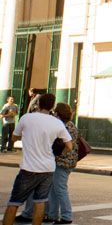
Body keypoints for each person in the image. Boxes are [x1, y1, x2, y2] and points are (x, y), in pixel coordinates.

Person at [2, 94, 71, 225]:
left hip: (29, 167)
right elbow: (69, 145)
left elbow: (14, 137)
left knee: (14, 202)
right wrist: (58, 154)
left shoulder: (26, 118)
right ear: (52, 107)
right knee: (40, 202)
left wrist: (26, 137)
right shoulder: (57, 122)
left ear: (38, 104)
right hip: (48, 168)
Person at [17, 103, 78, 224]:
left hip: (61, 162)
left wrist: (58, 154)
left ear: (58, 113)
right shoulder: (70, 125)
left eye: (55, 112)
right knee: (54, 190)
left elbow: (66, 145)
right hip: (67, 162)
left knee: (60, 189)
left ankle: (66, 216)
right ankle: (52, 215)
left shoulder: (62, 125)